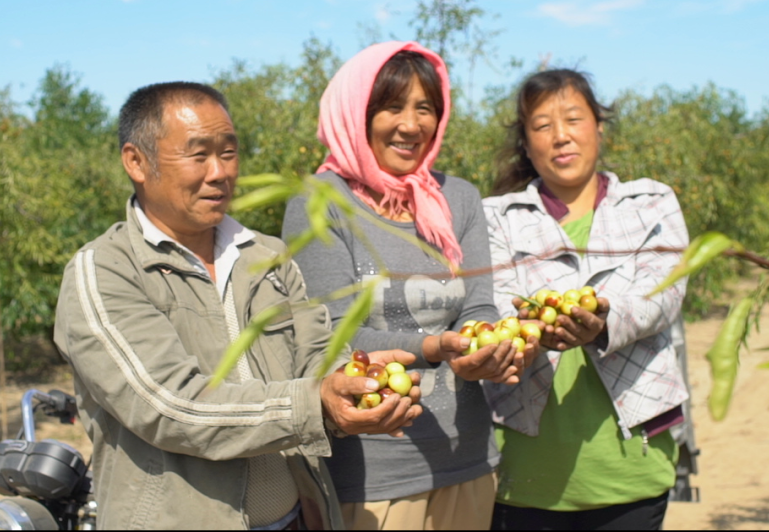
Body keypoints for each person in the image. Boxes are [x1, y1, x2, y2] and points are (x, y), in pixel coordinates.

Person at [52, 81, 423, 530]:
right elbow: (171, 407)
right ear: (136, 161)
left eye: (228, 153)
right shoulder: (106, 270)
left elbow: (316, 353)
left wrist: (353, 382)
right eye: (198, 154)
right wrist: (314, 404)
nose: (219, 172)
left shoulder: (267, 257)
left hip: (296, 518)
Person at [282, 42, 538, 530]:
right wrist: (436, 347)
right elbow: (333, 334)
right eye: (392, 106)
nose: (411, 124)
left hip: (467, 459)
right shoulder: (321, 203)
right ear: (356, 113)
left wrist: (482, 346)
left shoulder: (457, 198)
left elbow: (477, 305)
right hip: (372, 476)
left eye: (425, 108)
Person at [482, 69, 692, 531]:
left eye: (574, 119)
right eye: (542, 126)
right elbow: (493, 305)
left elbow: (664, 294)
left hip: (628, 469)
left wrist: (604, 322)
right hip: (526, 472)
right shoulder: (497, 217)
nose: (560, 137)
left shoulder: (650, 204)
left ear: (598, 126)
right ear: (525, 142)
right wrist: (530, 331)